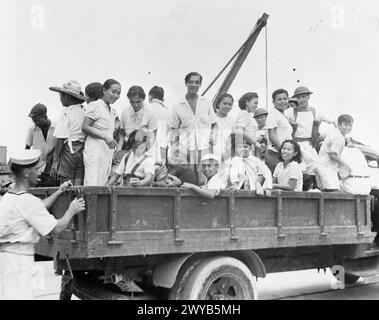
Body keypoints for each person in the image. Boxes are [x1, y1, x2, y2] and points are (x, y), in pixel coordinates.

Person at [0, 149, 85, 300]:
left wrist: (59, 191)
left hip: (8, 258)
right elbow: (57, 228)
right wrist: (72, 210)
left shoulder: (10, 196)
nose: (39, 172)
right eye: (36, 169)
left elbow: (37, 208)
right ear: (26, 172)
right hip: (18, 261)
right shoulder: (26, 201)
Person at [170, 72, 218, 183]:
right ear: (186, 83)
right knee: (189, 176)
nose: (194, 85)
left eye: (197, 82)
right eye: (191, 82)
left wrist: (214, 135)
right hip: (186, 147)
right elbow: (174, 129)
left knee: (203, 176)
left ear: (200, 84)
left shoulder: (206, 103)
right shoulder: (178, 105)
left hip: (204, 145)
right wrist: (174, 148)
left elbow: (214, 124)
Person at [82, 79, 121, 186]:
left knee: (102, 184)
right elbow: (85, 127)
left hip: (106, 152)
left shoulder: (112, 111)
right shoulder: (96, 105)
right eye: (113, 92)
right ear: (104, 90)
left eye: (118, 93)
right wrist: (104, 137)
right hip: (94, 150)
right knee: (92, 183)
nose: (116, 95)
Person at [49, 80, 87, 186]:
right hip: (81, 149)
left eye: (61, 95)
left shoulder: (66, 113)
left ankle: (68, 202)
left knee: (66, 183)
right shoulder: (84, 111)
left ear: (66, 96)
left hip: (69, 150)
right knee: (78, 182)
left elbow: (60, 139)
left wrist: (55, 161)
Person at [315, 114, 354, 192]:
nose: (348, 128)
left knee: (325, 193)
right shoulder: (339, 138)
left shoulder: (335, 132)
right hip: (327, 168)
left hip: (322, 166)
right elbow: (332, 155)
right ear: (339, 124)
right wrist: (346, 165)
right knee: (333, 193)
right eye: (345, 125)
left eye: (350, 125)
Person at [25, 103, 58, 187]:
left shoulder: (57, 127)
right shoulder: (32, 129)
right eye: (34, 121)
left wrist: (52, 159)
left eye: (37, 120)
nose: (35, 123)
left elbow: (61, 145)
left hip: (53, 167)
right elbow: (27, 149)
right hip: (38, 168)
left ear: (45, 116)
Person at [265, 89, 293, 173]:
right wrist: (283, 152)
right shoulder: (273, 113)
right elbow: (272, 136)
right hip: (275, 154)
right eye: (279, 99)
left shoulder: (283, 115)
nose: (283, 101)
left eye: (285, 99)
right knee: (277, 181)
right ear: (273, 101)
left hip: (283, 153)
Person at [146, 86, 171, 163]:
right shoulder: (169, 113)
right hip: (162, 152)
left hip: (146, 150)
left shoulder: (146, 108)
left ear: (150, 96)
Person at [213, 93, 236, 162]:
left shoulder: (233, 121)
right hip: (213, 155)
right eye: (224, 103)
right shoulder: (211, 119)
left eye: (229, 104)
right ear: (218, 104)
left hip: (227, 156)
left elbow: (234, 140)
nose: (227, 106)